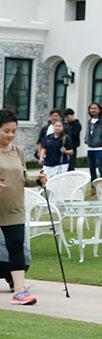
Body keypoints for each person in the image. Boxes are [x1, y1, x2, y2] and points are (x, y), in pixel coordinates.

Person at [0, 110, 47, 304]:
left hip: (14, 208)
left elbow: (23, 179)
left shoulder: (17, 151)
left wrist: (37, 181)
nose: (11, 135)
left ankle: (19, 291)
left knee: (16, 247)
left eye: (14, 131)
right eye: (6, 131)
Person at [84, 102, 102, 188]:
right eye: (91, 108)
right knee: (92, 169)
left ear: (99, 110)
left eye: (95, 108)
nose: (93, 110)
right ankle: (93, 187)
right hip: (90, 148)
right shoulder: (89, 121)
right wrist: (86, 140)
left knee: (101, 168)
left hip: (99, 148)